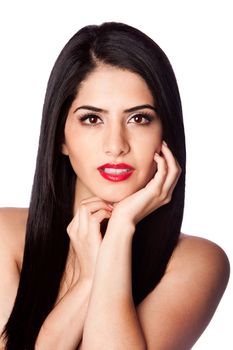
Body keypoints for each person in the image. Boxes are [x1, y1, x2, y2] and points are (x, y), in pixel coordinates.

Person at [0, 21, 230, 350]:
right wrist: (89, 279)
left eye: (139, 118)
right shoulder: (5, 237)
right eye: (92, 119)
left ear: (165, 134)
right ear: (60, 138)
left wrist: (119, 231)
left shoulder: (198, 262)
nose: (116, 145)